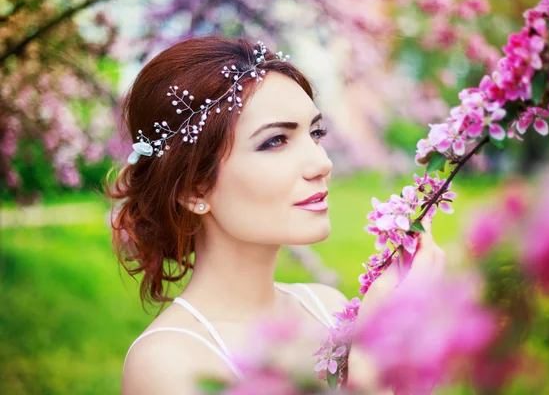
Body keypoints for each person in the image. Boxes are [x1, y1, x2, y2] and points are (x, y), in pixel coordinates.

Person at [107, 36, 445, 394]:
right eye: (275, 141)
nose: (322, 162)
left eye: (316, 133)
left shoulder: (327, 308)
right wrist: (368, 361)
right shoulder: (169, 362)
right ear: (193, 190)